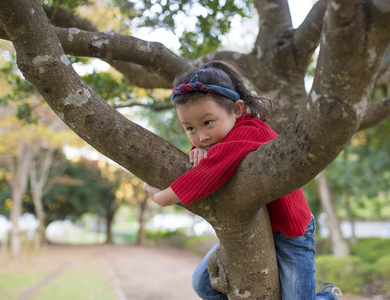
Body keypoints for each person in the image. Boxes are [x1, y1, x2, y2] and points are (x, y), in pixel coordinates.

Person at [144, 60, 342, 300]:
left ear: (237, 109)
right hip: (250, 228)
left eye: (207, 123)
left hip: (291, 233)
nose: (202, 137)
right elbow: (216, 155)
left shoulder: (250, 132)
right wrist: (199, 152)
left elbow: (207, 174)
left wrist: (160, 196)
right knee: (202, 283)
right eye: (190, 129)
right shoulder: (225, 138)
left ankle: (328, 296)